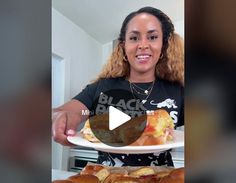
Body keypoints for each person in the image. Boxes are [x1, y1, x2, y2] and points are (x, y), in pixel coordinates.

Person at [52, 6, 184, 167]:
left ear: (163, 46)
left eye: (152, 37)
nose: (143, 45)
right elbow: (72, 111)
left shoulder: (177, 91)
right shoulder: (101, 87)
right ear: (123, 46)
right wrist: (62, 117)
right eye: (134, 38)